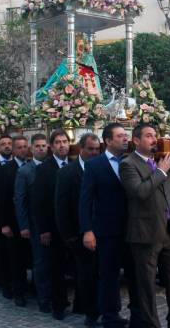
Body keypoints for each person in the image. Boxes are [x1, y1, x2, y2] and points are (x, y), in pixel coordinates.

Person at [120, 124, 170, 328]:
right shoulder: (128, 164)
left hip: (169, 231)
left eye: (155, 135)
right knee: (147, 285)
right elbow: (139, 192)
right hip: (145, 234)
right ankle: (151, 324)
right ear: (136, 141)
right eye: (148, 136)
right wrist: (160, 172)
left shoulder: (162, 159)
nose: (154, 139)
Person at [80, 123, 135, 328]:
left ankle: (137, 311)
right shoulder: (95, 165)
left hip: (133, 229)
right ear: (108, 141)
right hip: (107, 231)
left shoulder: (132, 161)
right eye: (120, 136)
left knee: (134, 273)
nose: (125, 139)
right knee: (109, 275)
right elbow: (85, 200)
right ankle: (111, 316)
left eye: (126, 135)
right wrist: (87, 230)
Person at [56, 133, 101, 327]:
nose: (93, 152)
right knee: (86, 275)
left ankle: (103, 309)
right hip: (79, 234)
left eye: (97, 149)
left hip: (103, 232)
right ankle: (90, 314)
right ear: (81, 149)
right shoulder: (67, 172)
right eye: (90, 149)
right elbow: (61, 206)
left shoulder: (102, 168)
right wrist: (70, 236)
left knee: (103, 274)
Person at [30, 129, 71, 320]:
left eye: (65, 141)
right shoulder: (44, 169)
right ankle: (58, 305)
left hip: (73, 226)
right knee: (56, 268)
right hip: (53, 227)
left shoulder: (75, 164)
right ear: (52, 146)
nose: (62, 145)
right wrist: (44, 229)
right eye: (58, 142)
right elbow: (38, 202)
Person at [14, 134, 49, 309]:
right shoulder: (25, 171)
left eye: (44, 145)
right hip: (35, 224)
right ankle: (42, 298)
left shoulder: (52, 167)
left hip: (52, 223)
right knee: (40, 261)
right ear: (32, 148)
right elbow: (20, 200)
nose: (41, 148)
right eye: (38, 146)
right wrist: (24, 225)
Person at [0, 135, 28, 306]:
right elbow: (2, 198)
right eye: (19, 147)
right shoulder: (6, 169)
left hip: (26, 221)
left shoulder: (30, 166)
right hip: (12, 221)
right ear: (14, 150)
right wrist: (5, 224)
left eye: (25, 147)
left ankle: (25, 287)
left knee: (25, 257)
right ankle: (15, 291)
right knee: (14, 259)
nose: (23, 150)